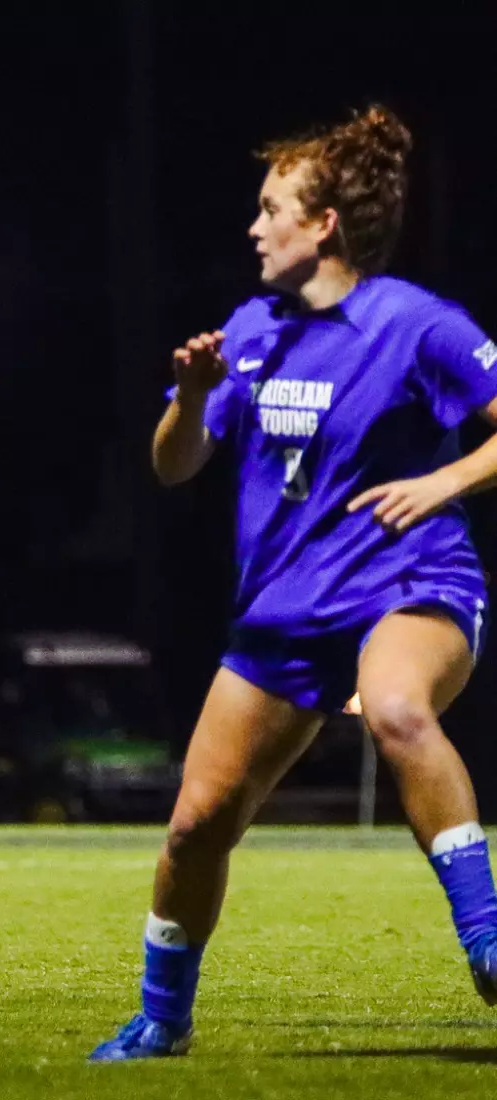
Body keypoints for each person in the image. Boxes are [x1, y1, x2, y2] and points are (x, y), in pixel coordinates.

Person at [92, 105, 497, 1061]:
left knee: (397, 706)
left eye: (272, 208)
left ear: (323, 226)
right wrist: (191, 398)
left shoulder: (415, 324)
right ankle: (163, 1022)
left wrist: (442, 480)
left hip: (410, 580)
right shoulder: (251, 330)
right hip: (284, 613)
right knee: (195, 825)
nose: (254, 227)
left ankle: (487, 943)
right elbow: (173, 466)